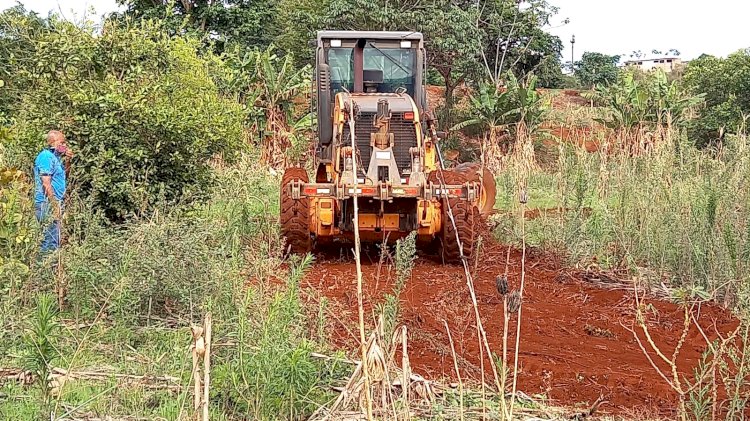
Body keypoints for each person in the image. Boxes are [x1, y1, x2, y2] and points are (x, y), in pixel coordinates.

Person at [34, 130, 72, 254]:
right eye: (62, 142)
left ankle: (51, 269)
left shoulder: (55, 158)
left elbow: (64, 176)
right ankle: (45, 270)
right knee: (49, 240)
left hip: (53, 201)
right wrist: (55, 205)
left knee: (54, 238)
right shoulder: (46, 157)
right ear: (53, 142)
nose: (65, 145)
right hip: (46, 203)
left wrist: (68, 160)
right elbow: (46, 183)